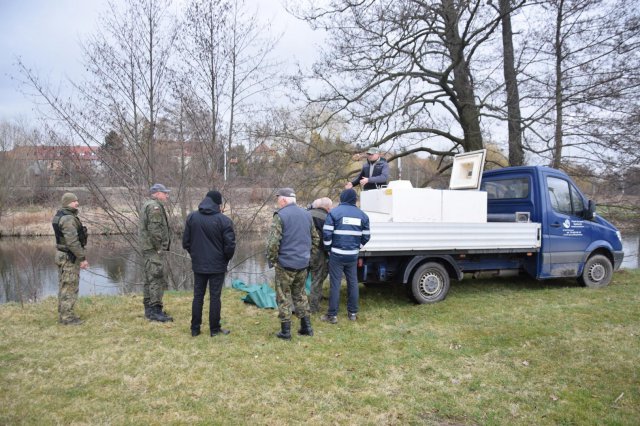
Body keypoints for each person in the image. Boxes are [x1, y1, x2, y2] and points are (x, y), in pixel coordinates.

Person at [266, 187, 319, 340]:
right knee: (300, 294)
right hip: (303, 263)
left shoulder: (280, 215)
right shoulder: (307, 215)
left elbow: (272, 244)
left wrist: (274, 259)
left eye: (278, 199)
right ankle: (306, 327)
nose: (278, 202)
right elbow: (316, 239)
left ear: (283, 200)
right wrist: (309, 257)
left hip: (285, 264)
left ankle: (286, 331)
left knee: (283, 296)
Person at [183, 190, 236, 337]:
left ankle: (195, 329)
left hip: (199, 264)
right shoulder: (224, 221)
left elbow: (186, 242)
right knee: (215, 297)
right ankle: (214, 329)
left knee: (198, 296)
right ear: (218, 204)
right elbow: (230, 246)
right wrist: (225, 259)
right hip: (217, 265)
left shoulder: (192, 217)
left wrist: (195, 255)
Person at [321, 188, 370, 324]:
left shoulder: (334, 213)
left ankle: (333, 315)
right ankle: (352, 313)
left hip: (336, 254)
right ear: (354, 200)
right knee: (353, 282)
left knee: (335, 284)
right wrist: (357, 247)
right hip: (352, 255)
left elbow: (327, 234)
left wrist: (328, 249)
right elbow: (366, 236)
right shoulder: (363, 216)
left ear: (342, 198)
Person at [52, 192, 89, 325]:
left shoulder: (59, 216)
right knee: (69, 286)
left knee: (64, 285)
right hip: (69, 257)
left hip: (62, 255)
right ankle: (67, 318)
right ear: (68, 203)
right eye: (74, 201)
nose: (77, 203)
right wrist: (82, 258)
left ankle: (63, 314)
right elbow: (72, 242)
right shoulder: (68, 219)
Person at [139, 183, 173, 322]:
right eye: (165, 193)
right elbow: (155, 230)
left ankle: (149, 309)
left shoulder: (147, 204)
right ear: (157, 193)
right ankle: (155, 311)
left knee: (149, 279)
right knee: (156, 278)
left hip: (148, 248)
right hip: (153, 249)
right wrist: (159, 246)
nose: (167, 195)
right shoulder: (155, 207)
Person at [307, 197, 333, 313]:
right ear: (328, 207)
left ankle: (295, 306)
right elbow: (328, 236)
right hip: (318, 252)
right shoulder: (327, 218)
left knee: (299, 280)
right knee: (317, 279)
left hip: (302, 251)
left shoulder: (305, 214)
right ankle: (314, 307)